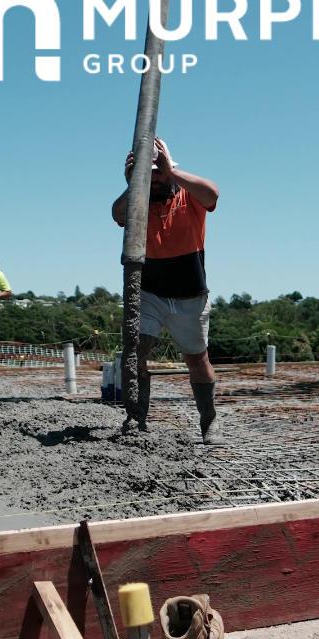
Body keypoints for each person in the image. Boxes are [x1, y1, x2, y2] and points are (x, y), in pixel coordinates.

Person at [111, 136, 221, 441]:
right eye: (151, 173)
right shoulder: (137, 203)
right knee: (136, 351)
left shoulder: (189, 198)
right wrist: (134, 183)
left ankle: (209, 420)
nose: (156, 179)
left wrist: (170, 172)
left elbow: (212, 193)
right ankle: (137, 419)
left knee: (197, 359)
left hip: (190, 296)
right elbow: (117, 215)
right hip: (150, 294)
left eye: (158, 171)